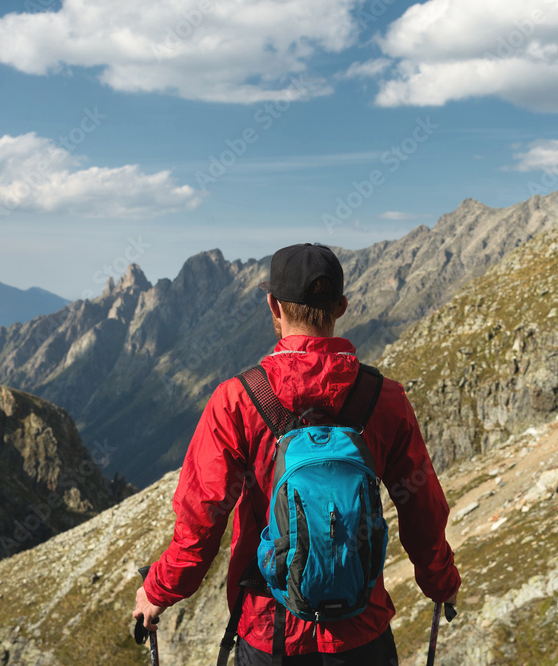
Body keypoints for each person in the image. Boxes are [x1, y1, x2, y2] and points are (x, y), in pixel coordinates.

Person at [133, 243, 460, 664]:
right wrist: (441, 582)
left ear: (273, 305)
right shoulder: (386, 399)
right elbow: (423, 510)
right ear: (341, 306)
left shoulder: (237, 399)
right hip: (362, 630)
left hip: (270, 630)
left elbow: (202, 519)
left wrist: (159, 589)